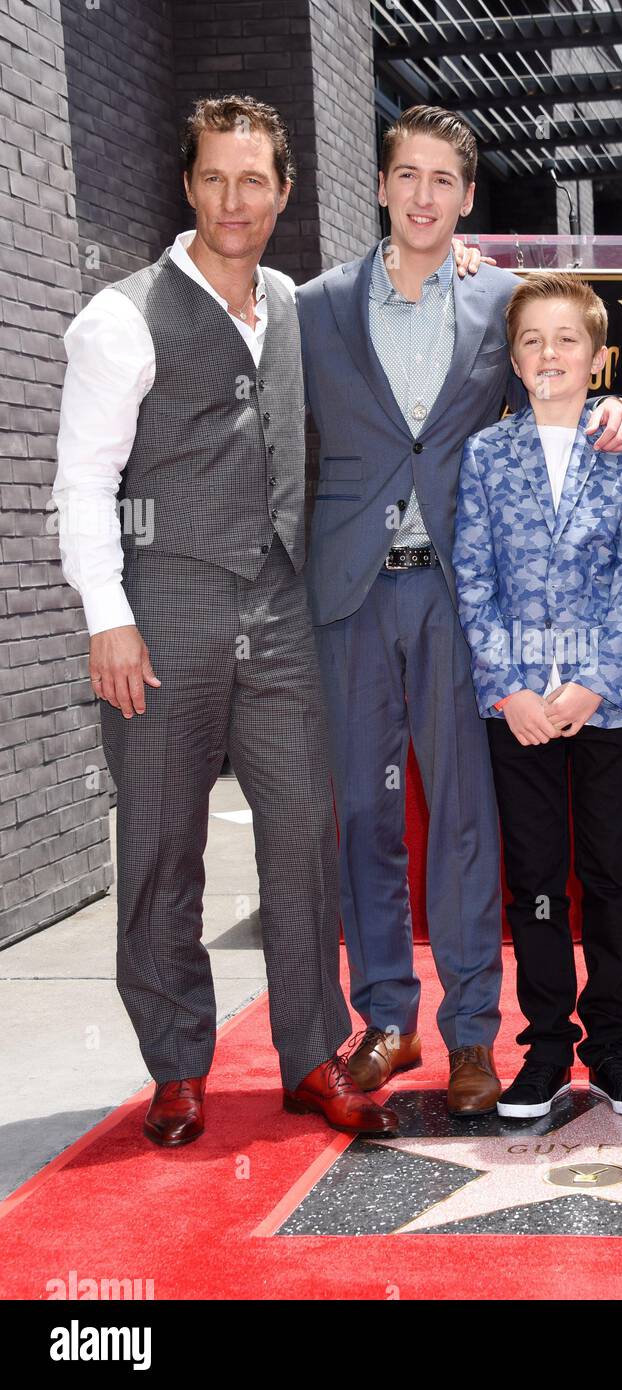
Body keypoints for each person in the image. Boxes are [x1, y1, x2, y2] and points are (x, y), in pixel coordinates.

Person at [52, 96, 399, 1146]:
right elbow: (80, 480)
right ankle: (177, 1065)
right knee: (162, 840)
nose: (234, 200)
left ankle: (308, 1057)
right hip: (161, 609)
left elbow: (395, 311)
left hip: (280, 607)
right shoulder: (121, 315)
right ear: (188, 185)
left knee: (303, 830)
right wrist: (106, 617)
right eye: (214, 178)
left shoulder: (296, 303)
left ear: (285, 191)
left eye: (254, 180)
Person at [295, 106, 622, 1116]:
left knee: (462, 816)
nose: (422, 195)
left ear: (466, 194)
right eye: (407, 174)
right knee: (361, 807)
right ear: (379, 184)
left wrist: (616, 415)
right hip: (351, 590)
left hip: (460, 589)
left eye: (443, 178)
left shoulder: (500, 300)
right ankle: (387, 1017)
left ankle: (472, 1037)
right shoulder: (315, 306)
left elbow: (563, 367)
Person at [453, 274, 622, 1118]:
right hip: (520, 712)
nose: (550, 354)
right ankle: (545, 1050)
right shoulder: (484, 454)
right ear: (512, 358)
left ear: (597, 357)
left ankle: (613, 1044)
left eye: (566, 340)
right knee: (535, 879)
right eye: (532, 341)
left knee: (610, 874)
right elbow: (472, 577)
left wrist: (591, 681)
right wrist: (511, 690)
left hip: (609, 701)